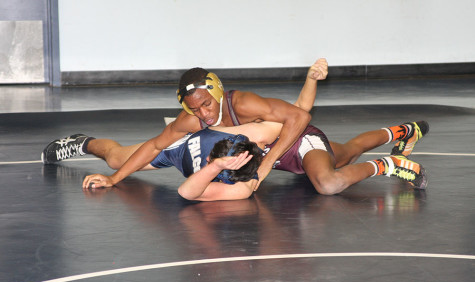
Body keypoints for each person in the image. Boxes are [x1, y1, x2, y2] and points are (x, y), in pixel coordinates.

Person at [41, 59, 329, 189]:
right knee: (116, 159)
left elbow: (300, 115)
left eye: (207, 104)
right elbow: (155, 144)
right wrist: (115, 180)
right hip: (186, 154)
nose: (203, 114)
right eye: (194, 108)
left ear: (217, 93)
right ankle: (83, 142)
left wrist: (311, 79)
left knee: (335, 157)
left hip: (216, 163)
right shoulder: (189, 120)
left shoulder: (242, 104)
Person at [176, 119, 429, 201]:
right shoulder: (217, 158)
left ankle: (388, 165)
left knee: (328, 183)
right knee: (350, 151)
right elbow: (189, 191)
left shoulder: (238, 130)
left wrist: (265, 164)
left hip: (300, 140)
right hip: (293, 159)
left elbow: (295, 120)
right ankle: (406, 131)